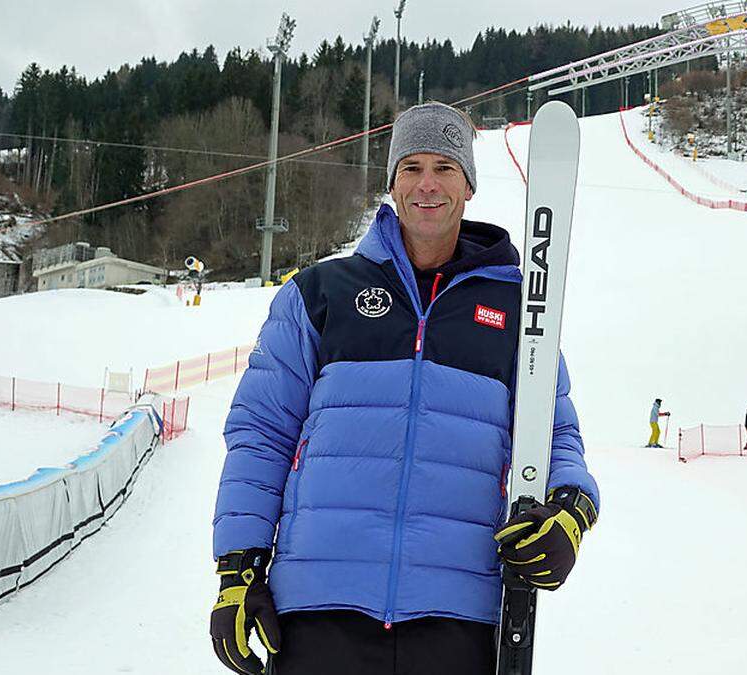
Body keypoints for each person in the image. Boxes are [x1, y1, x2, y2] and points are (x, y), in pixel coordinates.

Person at [209, 102, 600, 675]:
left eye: (445, 167)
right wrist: (238, 568)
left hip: (455, 614)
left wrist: (570, 510)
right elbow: (261, 434)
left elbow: (555, 430)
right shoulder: (320, 293)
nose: (427, 185)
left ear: (468, 185)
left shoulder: (519, 308)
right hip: (320, 605)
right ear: (391, 183)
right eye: (411, 167)